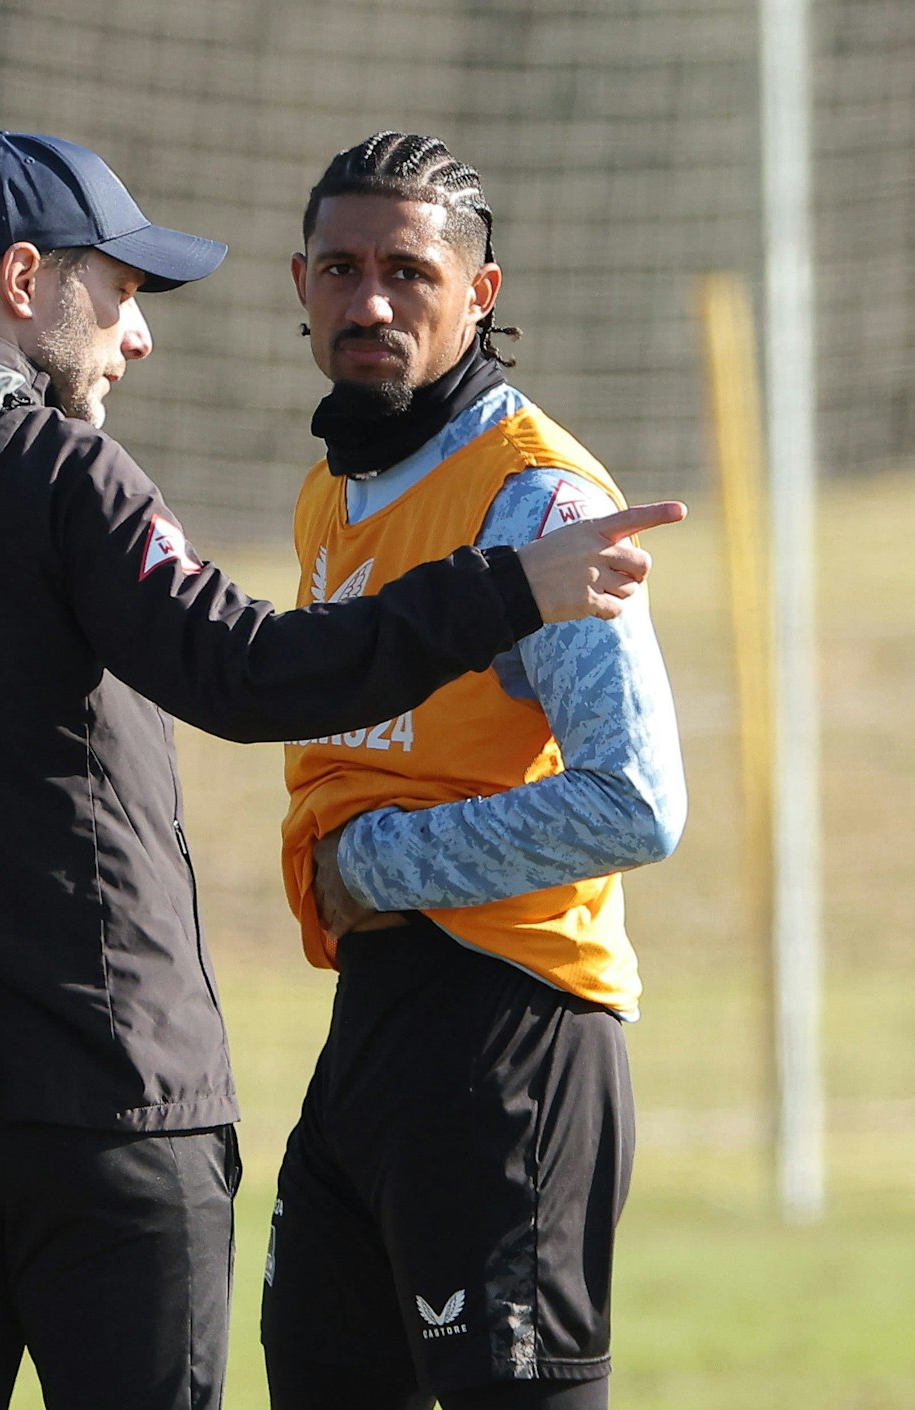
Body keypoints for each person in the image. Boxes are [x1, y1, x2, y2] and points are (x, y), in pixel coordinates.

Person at [0, 130, 682, 1410]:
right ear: (25, 281)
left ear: (480, 292)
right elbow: (246, 674)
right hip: (115, 1118)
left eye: (404, 271)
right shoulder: (70, 476)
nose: (136, 336)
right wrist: (496, 598)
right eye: (121, 292)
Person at [262, 133, 690, 1410]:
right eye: (339, 269)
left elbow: (637, 798)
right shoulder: (330, 494)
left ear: (480, 294)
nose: (369, 301)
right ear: (299, 285)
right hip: (376, 1030)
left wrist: (371, 864)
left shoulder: (537, 504)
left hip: (514, 1030)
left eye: (407, 271)